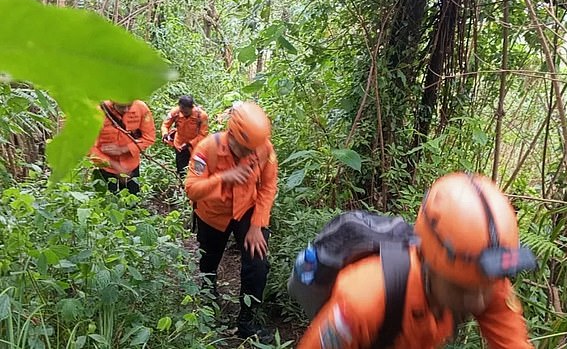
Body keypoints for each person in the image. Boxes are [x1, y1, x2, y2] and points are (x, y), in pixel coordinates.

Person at [297, 172, 536, 349]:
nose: (478, 302)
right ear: (428, 263)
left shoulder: (482, 276)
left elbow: (512, 342)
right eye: (461, 289)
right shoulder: (364, 300)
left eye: (486, 288)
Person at [184, 101, 278, 342]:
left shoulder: (264, 148)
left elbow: (268, 186)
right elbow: (192, 189)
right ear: (232, 134)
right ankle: (207, 296)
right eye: (244, 148)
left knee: (258, 265)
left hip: (247, 211)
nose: (250, 153)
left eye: (253, 149)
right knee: (209, 259)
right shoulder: (207, 149)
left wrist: (258, 224)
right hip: (212, 214)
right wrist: (223, 178)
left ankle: (247, 321)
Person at [90, 100, 156, 195]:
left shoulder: (141, 108)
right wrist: (113, 165)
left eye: (129, 106)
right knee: (105, 201)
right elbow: (89, 146)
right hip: (104, 168)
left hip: (131, 166)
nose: (126, 110)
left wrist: (124, 149)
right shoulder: (98, 112)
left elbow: (149, 138)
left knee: (132, 200)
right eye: (121, 107)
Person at [161, 95, 209, 177]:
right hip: (179, 145)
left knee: (197, 171)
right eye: (181, 111)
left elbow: (203, 134)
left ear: (192, 107)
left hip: (196, 146)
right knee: (181, 171)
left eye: (186, 112)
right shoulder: (175, 113)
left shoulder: (201, 116)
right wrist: (165, 134)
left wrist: (189, 144)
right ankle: (183, 187)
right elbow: (165, 125)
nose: (183, 113)